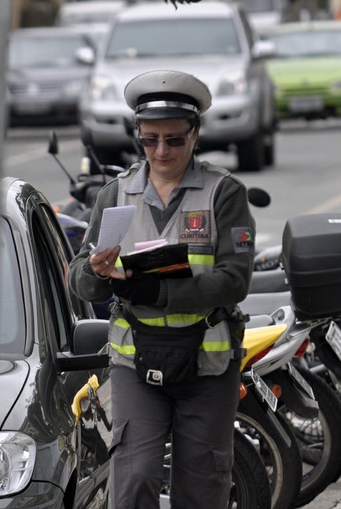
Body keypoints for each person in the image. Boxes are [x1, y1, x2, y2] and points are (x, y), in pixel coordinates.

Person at [68, 69, 256, 508]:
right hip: (136, 360)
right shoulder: (114, 194)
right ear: (137, 135)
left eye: (173, 139)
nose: (161, 150)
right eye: (150, 139)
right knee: (134, 480)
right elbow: (79, 276)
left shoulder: (224, 194)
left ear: (196, 133)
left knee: (203, 486)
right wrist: (96, 273)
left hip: (207, 363)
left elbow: (236, 280)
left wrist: (160, 293)